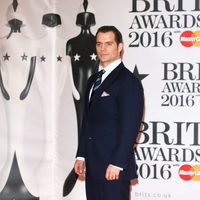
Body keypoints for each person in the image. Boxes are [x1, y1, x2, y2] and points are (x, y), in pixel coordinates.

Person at [74, 25, 144, 200]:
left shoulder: (128, 81)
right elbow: (87, 122)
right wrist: (81, 154)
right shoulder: (92, 80)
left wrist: (117, 163)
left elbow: (130, 127)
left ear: (120, 47)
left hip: (113, 168)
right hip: (93, 164)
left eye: (108, 43)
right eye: (99, 44)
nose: (102, 49)